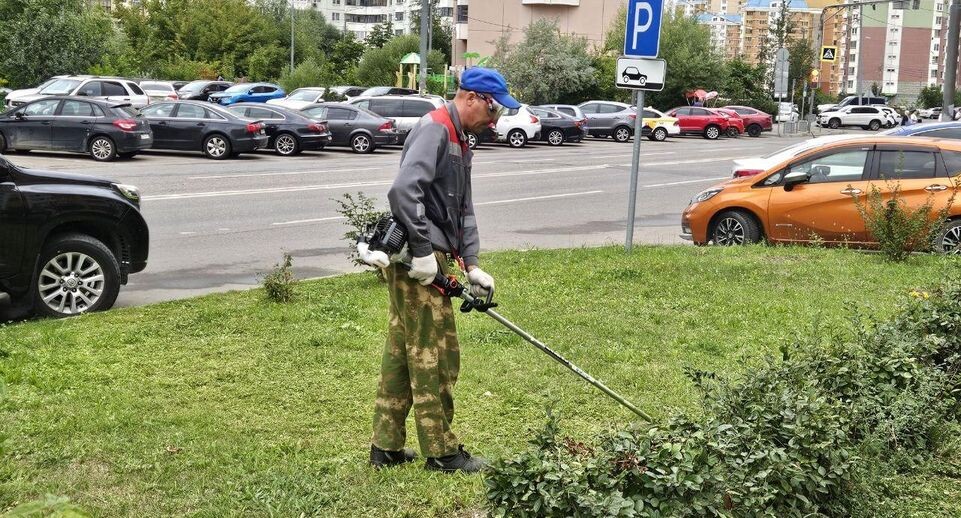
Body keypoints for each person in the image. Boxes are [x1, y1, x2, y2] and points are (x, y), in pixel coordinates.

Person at [357, 68, 520, 473]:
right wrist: (425, 251)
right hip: (418, 262)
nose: (496, 119)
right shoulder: (435, 129)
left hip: (435, 258)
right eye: (494, 109)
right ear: (473, 98)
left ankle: (386, 447)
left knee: (401, 352)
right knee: (435, 356)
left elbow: (462, 210)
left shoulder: (461, 139)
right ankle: (443, 453)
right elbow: (402, 191)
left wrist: (474, 264)